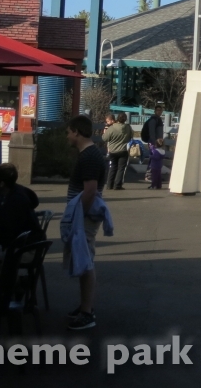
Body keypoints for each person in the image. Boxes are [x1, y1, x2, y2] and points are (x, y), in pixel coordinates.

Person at [62, 115, 108, 331]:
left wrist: (80, 215)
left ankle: (87, 312)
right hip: (85, 216)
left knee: (85, 261)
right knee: (83, 259)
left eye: (69, 132)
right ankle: (84, 307)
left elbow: (90, 190)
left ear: (77, 132)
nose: (68, 136)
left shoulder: (88, 157)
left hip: (85, 217)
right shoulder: (91, 154)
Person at [0, 163, 43, 247]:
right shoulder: (6, 192)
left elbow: (2, 227)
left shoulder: (16, 200)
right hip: (20, 241)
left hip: (26, 247)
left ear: (2, 183)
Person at [103, 112, 132, 191]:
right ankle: (117, 185)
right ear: (125, 119)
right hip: (123, 150)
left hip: (112, 150)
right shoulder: (128, 128)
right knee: (121, 168)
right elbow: (130, 138)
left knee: (113, 167)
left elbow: (105, 138)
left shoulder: (111, 128)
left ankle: (109, 184)